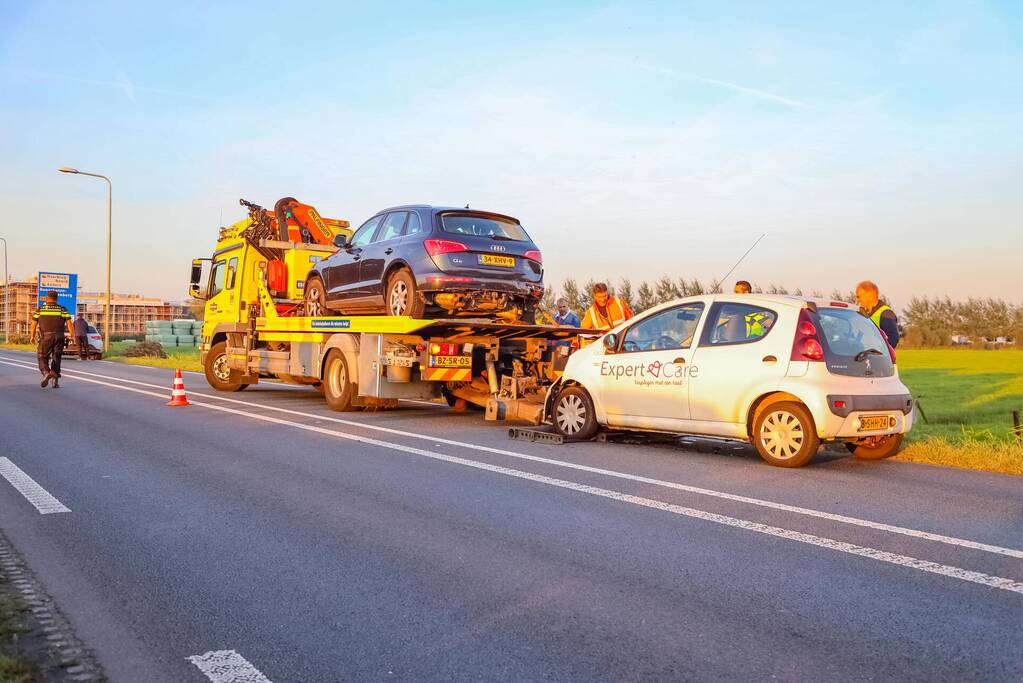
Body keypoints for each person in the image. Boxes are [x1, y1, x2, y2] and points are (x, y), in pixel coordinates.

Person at [29, 290, 74, 388]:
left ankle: (46, 372)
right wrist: (72, 335)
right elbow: (69, 323)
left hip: (46, 337)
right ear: (57, 299)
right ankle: (55, 381)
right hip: (59, 336)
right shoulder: (62, 309)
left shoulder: (40, 310)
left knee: (42, 356)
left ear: (46, 298)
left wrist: (32, 336)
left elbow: (33, 323)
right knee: (56, 358)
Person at [856, 280, 900, 348]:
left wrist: (878, 353)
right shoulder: (865, 313)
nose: (858, 300)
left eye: (859, 296)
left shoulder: (886, 313)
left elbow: (893, 338)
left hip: (875, 357)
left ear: (869, 294)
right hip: (861, 356)